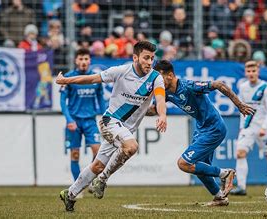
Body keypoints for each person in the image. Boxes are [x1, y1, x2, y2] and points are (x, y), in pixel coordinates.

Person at [56, 41, 167, 212]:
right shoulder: (121, 71)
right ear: (135, 57)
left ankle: (69, 194)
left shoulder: (156, 78)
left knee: (98, 165)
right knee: (131, 147)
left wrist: (163, 115)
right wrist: (66, 80)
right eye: (146, 58)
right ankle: (102, 180)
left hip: (125, 129)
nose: (149, 62)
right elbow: (91, 79)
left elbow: (160, 99)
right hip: (110, 121)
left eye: (152, 58)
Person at [148, 60, 255, 206]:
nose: (158, 82)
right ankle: (220, 198)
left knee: (184, 163)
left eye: (160, 77)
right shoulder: (166, 92)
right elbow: (154, 110)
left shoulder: (188, 86)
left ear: (170, 75)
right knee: (198, 168)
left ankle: (225, 173)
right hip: (202, 128)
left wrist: (240, 105)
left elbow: (218, 84)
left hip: (214, 128)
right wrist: (134, 109)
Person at [59, 48, 104, 198]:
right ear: (76, 61)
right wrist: (69, 120)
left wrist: (105, 116)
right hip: (74, 122)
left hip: (90, 121)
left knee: (98, 152)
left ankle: (90, 180)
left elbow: (101, 98)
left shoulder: (96, 78)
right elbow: (62, 102)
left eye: (86, 59)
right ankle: (77, 188)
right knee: (75, 154)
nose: (83, 62)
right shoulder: (69, 78)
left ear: (89, 61)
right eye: (81, 59)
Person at [230, 60, 267, 196]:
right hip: (248, 127)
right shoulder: (243, 87)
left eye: (254, 71)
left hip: (264, 128)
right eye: (248, 71)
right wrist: (242, 126)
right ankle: (241, 187)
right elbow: (242, 108)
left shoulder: (266, 88)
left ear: (258, 72)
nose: (251, 73)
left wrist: (264, 127)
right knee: (240, 153)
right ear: (245, 73)